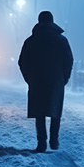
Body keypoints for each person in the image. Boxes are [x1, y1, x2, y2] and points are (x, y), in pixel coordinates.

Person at [18, 11, 74, 153]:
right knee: (55, 110)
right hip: (56, 80)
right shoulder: (61, 40)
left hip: (37, 80)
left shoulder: (30, 41)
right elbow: (69, 60)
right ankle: (54, 140)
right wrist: (64, 78)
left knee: (39, 112)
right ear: (52, 21)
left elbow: (22, 62)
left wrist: (29, 78)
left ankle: (41, 143)